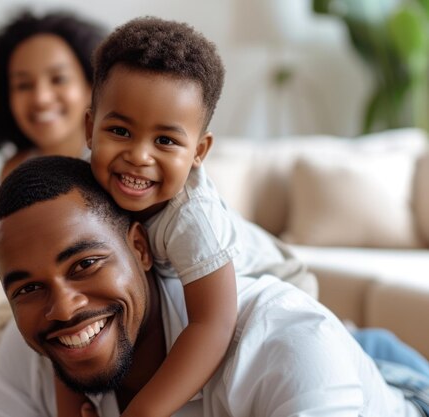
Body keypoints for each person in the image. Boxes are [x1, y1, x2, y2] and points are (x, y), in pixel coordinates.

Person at [0, 155, 429, 416]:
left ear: (140, 247)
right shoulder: (39, 348)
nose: (63, 307)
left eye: (85, 264)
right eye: (27, 289)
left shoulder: (284, 343)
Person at [76, 16, 299, 417]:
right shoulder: (82, 184)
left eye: (165, 140)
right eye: (121, 131)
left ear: (199, 152)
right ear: (90, 128)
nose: (139, 156)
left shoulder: (191, 218)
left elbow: (212, 325)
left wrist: (142, 412)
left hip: (281, 280)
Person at [0, 10, 106, 309]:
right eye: (23, 85)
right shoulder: (14, 168)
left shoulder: (111, 160)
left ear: (90, 85)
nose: (40, 97)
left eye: (58, 79)